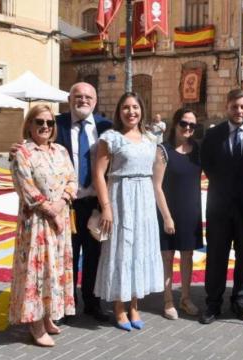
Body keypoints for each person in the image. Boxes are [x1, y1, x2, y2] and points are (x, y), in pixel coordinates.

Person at [9, 82, 112, 324]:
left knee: (94, 254)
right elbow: (35, 143)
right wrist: (16, 149)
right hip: (65, 205)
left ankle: (92, 302)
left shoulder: (106, 127)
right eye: (78, 96)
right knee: (65, 256)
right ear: (69, 98)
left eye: (88, 96)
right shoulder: (55, 122)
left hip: (94, 201)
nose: (83, 100)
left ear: (95, 101)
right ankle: (65, 305)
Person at [92, 92, 164, 331]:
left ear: (141, 110)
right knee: (120, 250)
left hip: (143, 200)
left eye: (135, 107)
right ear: (119, 111)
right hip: (120, 198)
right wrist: (106, 208)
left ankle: (134, 305)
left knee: (139, 249)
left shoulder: (149, 139)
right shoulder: (110, 138)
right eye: (126, 107)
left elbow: (156, 175)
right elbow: (99, 175)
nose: (131, 112)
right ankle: (119, 307)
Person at [9, 104, 77, 347]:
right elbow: (26, 188)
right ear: (29, 124)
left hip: (59, 221)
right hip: (36, 224)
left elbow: (72, 179)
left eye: (50, 122)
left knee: (55, 269)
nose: (45, 127)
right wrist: (51, 211)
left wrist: (61, 203)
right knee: (37, 273)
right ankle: (35, 325)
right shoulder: (23, 153)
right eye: (39, 122)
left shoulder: (61, 151)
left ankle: (48, 317)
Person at [199, 89, 243, 324]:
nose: (239, 111)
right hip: (219, 207)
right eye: (234, 106)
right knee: (216, 255)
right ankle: (213, 303)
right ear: (227, 107)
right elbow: (206, 163)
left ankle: (239, 300)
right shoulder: (213, 134)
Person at [154, 108, 203, 320]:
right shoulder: (163, 150)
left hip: (190, 210)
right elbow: (156, 186)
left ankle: (185, 297)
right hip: (169, 210)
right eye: (184, 123)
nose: (188, 128)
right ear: (175, 124)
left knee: (188, 255)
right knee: (167, 256)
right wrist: (166, 216)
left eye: (193, 125)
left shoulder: (197, 149)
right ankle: (168, 300)